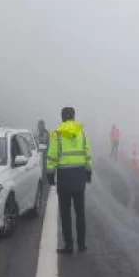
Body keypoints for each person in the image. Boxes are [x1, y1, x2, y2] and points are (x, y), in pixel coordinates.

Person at [46, 107, 92, 254]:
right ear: (73, 117)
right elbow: (87, 154)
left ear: (62, 117)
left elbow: (52, 156)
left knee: (65, 212)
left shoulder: (57, 134)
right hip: (79, 176)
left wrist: (50, 174)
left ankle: (69, 245)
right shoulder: (82, 132)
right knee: (80, 212)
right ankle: (82, 244)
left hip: (64, 177)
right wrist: (88, 173)